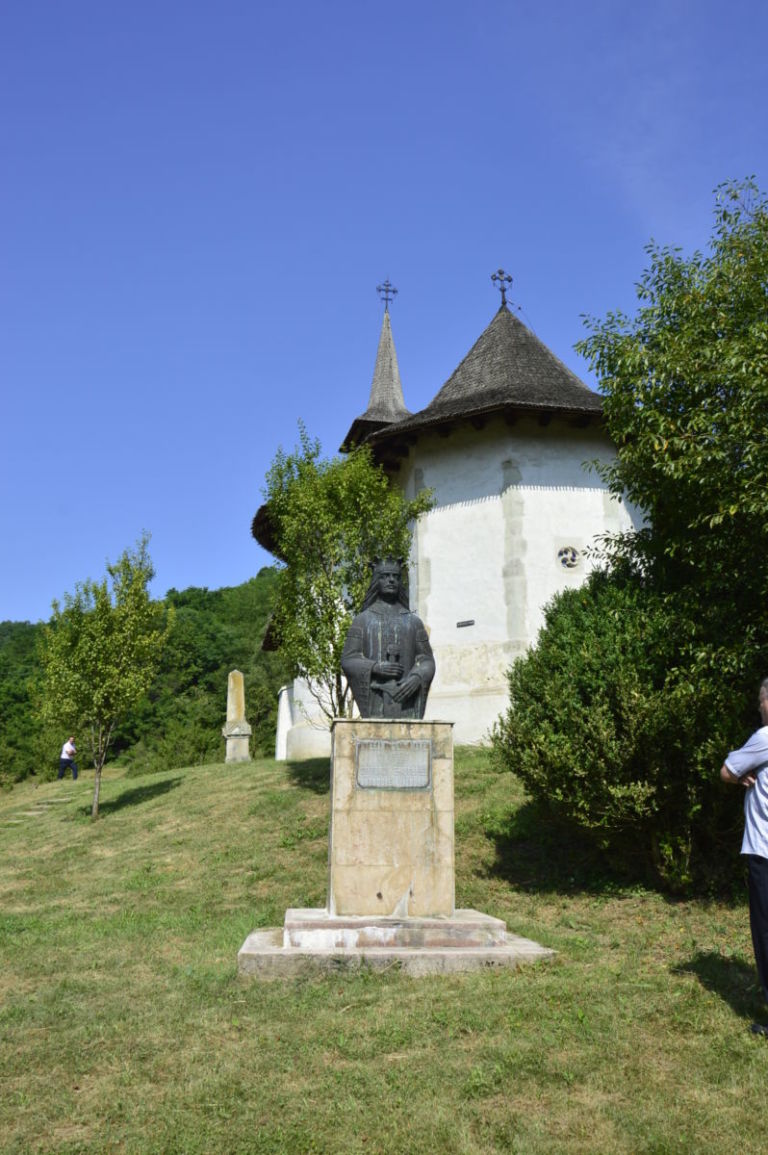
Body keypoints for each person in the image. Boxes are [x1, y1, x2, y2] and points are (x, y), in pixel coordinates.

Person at [721, 678, 768, 1036]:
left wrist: (740, 778)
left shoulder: (765, 738)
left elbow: (727, 770)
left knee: (765, 933)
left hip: (764, 852)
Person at [341, 557, 435, 719]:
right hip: (376, 699)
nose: (391, 580)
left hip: (406, 699)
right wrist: (375, 667)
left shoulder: (414, 622)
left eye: (396, 577)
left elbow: (427, 660)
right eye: (385, 576)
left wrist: (417, 677)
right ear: (376, 581)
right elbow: (349, 659)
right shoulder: (362, 621)